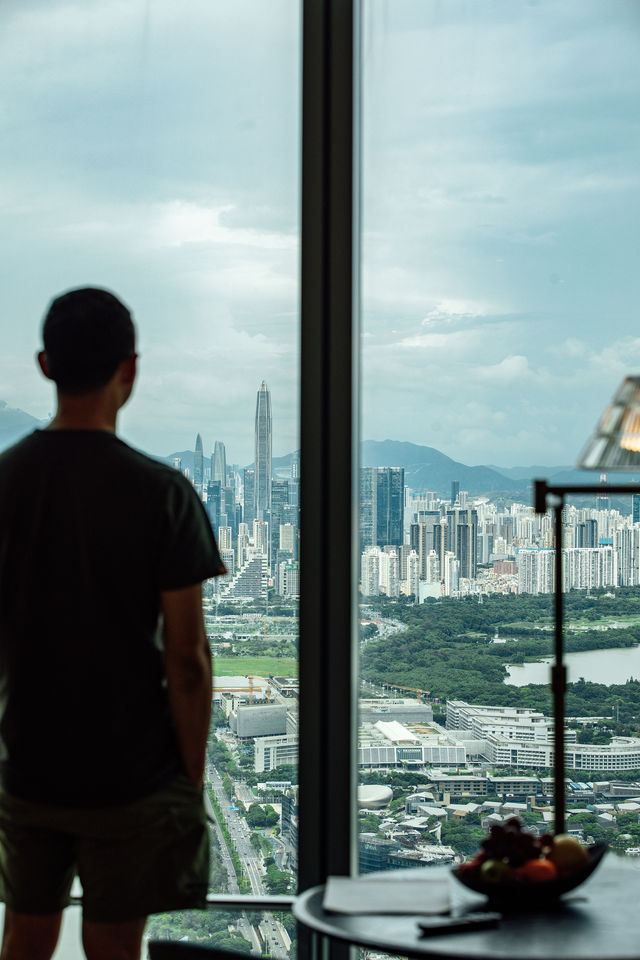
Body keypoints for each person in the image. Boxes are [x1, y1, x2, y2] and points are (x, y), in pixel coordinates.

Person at [0, 288, 225, 960]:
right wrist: (189, 772)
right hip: (131, 772)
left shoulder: (4, 483)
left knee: (25, 936)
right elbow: (187, 658)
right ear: (130, 368)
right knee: (115, 947)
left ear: (45, 365)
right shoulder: (161, 492)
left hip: (28, 763)